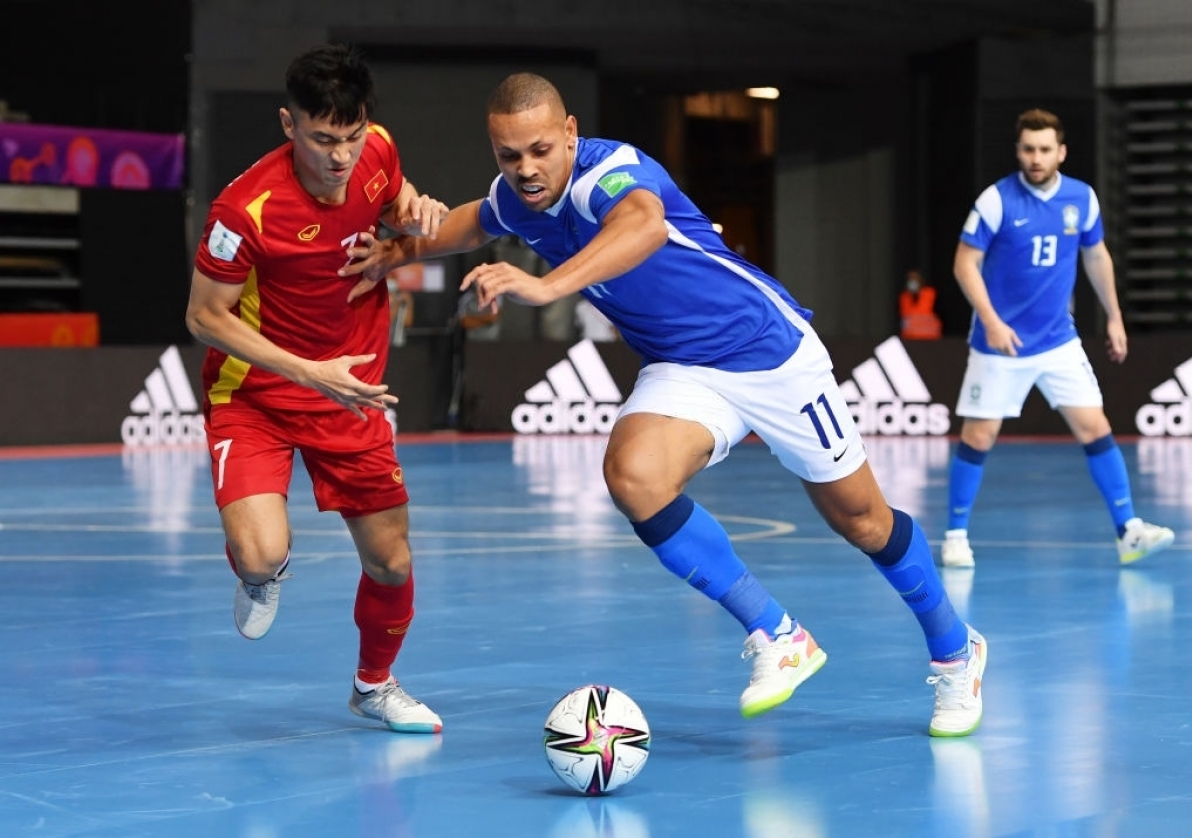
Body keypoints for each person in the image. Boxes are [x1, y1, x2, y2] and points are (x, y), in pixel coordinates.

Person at [339, 72, 987, 737]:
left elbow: (643, 226)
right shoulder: (517, 198)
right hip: (683, 368)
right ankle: (776, 632)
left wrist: (545, 286)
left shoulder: (610, 172)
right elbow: (467, 223)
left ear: (569, 134)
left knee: (863, 521)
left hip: (768, 351)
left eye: (539, 149)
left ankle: (957, 650)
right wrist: (396, 252)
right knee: (634, 476)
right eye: (509, 155)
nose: (526, 169)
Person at [184, 43, 448, 734]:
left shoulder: (378, 152)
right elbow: (203, 317)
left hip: (350, 392)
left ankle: (374, 686)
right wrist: (308, 371)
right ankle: (257, 574)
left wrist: (406, 223)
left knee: (391, 561)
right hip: (256, 396)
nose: (341, 157)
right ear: (287, 123)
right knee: (260, 551)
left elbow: (392, 207)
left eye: (352, 137)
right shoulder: (242, 211)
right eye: (324, 138)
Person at [942, 108, 1175, 569]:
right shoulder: (996, 200)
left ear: (1060, 152)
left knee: (1097, 427)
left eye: (1045, 149)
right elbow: (964, 263)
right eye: (1028, 148)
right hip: (1000, 342)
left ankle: (1128, 531)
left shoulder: (1081, 198)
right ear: (1018, 151)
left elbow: (1096, 257)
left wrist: (1114, 316)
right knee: (979, 435)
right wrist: (989, 319)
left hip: (1058, 340)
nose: (1036, 157)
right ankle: (955, 535)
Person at [898, 268, 942, 340]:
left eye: (915, 278)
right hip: (909, 341)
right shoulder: (904, 298)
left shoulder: (931, 295)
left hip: (930, 340)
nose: (912, 281)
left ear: (921, 280)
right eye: (910, 278)